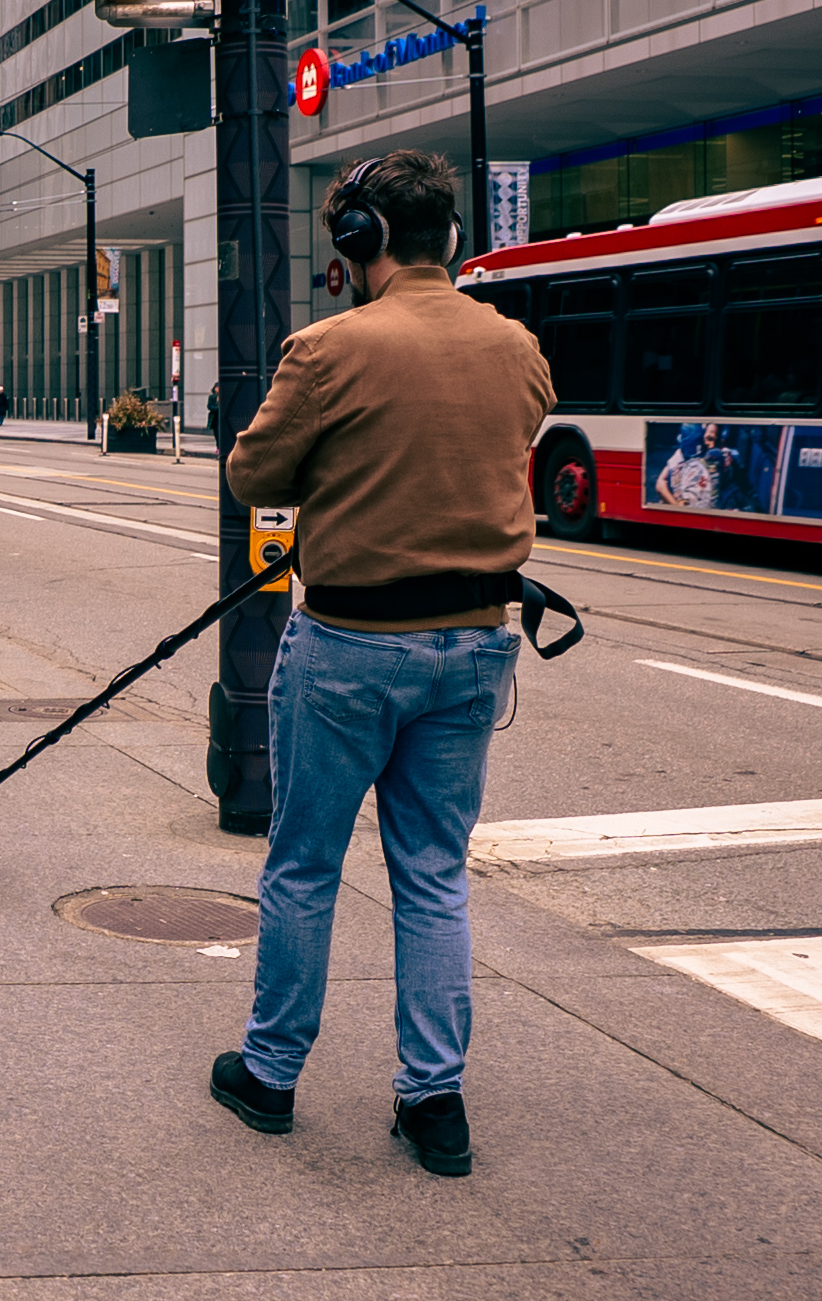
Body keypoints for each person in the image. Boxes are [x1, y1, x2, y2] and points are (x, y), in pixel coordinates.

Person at [209, 150, 553, 1180]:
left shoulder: (327, 351)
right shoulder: (517, 345)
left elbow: (252, 475)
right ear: (447, 235)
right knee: (434, 875)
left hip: (350, 645)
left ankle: (270, 1074)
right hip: (475, 642)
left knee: (304, 865)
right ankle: (432, 1099)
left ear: (359, 242)